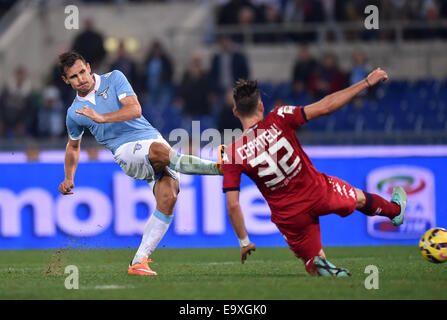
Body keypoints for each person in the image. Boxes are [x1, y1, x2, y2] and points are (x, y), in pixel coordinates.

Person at [219, 69, 407, 277]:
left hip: (289, 215)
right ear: (261, 106)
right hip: (318, 192)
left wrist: (244, 241)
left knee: (314, 260)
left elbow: (233, 204)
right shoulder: (279, 116)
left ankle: (318, 263)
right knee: (360, 198)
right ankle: (395, 210)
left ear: (235, 112)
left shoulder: (232, 152)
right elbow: (326, 107)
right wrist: (365, 83)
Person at [57, 51, 222, 276]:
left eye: (82, 71)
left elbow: (135, 110)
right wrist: (69, 177)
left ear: (88, 66)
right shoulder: (74, 113)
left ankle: (138, 261)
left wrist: (102, 117)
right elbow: (73, 146)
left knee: (169, 196)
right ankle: (220, 167)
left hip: (152, 138)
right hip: (126, 153)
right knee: (163, 153)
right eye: (74, 76)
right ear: (66, 80)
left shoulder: (114, 78)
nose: (81, 78)